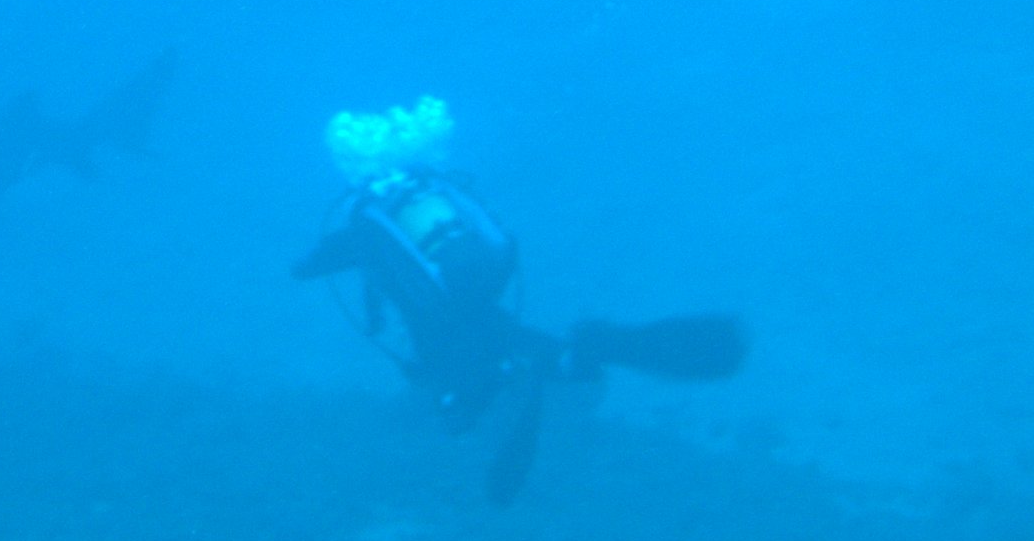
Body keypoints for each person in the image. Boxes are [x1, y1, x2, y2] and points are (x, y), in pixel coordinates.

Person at [292, 97, 745, 503]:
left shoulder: (366, 223)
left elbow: (311, 268)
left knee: (461, 398)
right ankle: (580, 351)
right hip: (478, 295)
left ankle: (533, 374)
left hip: (443, 325)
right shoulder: (432, 199)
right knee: (494, 334)